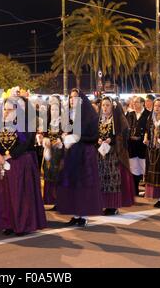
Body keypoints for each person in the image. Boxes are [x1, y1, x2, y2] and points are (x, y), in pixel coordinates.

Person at [0, 97, 47, 236]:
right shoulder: (0, 124)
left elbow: (25, 144)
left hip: (19, 162)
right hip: (3, 163)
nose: (6, 112)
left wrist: (9, 156)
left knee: (19, 195)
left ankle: (22, 224)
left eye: (10, 109)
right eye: (5, 109)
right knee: (5, 194)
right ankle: (8, 223)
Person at [57, 89, 101, 226]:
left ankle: (83, 214)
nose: (72, 100)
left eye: (75, 98)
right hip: (71, 153)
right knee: (72, 183)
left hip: (85, 154)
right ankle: (75, 213)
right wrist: (63, 137)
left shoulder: (90, 115)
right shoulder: (68, 115)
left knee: (83, 184)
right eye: (71, 98)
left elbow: (94, 137)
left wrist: (77, 138)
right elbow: (63, 131)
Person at [97, 96, 135, 215]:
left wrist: (111, 140)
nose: (105, 107)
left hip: (114, 154)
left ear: (112, 106)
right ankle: (104, 203)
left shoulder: (118, 119)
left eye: (107, 105)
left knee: (113, 180)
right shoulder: (99, 120)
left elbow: (124, 134)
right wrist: (97, 140)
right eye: (103, 105)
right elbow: (95, 134)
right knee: (102, 179)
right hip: (101, 154)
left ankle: (113, 205)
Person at [41, 96, 65, 210]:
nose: (54, 111)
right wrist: (44, 141)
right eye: (52, 109)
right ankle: (53, 200)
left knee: (59, 177)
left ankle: (61, 201)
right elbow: (44, 136)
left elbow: (66, 136)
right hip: (49, 154)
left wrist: (60, 140)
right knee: (49, 176)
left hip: (60, 154)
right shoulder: (48, 123)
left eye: (56, 109)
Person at [126, 97, 151, 196]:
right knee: (134, 169)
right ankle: (135, 190)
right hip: (132, 145)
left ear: (142, 103)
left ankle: (149, 191)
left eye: (136, 102)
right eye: (133, 102)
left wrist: (141, 137)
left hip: (143, 146)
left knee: (145, 168)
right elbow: (127, 128)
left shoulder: (148, 114)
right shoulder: (130, 114)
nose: (134, 104)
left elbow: (149, 130)